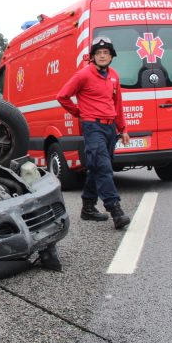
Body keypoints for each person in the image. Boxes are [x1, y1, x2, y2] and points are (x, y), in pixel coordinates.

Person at [55, 36, 132, 230]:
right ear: (93, 57)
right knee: (103, 167)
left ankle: (88, 207)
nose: (103, 56)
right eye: (99, 53)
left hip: (110, 128)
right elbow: (62, 96)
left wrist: (122, 129)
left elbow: (118, 104)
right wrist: (79, 113)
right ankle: (115, 209)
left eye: (106, 53)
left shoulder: (113, 75)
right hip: (93, 127)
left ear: (111, 56)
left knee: (97, 167)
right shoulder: (83, 75)